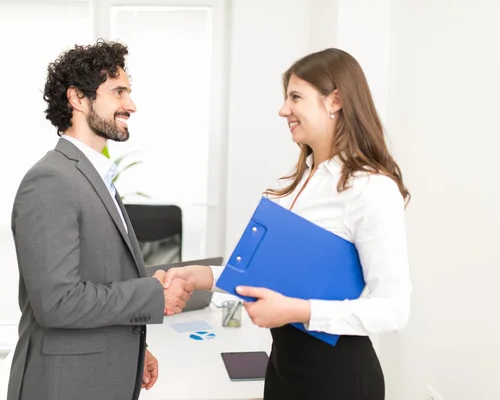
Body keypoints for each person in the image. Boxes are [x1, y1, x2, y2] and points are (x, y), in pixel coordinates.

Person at [163, 48, 411, 399]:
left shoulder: (370, 188)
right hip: (284, 369)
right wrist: (203, 276)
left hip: (338, 379)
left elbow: (393, 310)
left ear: (335, 101)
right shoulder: (301, 183)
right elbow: (274, 280)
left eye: (295, 97)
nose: (283, 110)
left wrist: (297, 310)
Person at [7, 40, 194, 400]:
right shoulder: (51, 180)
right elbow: (57, 302)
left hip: (97, 373)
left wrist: (131, 350)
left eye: (129, 92)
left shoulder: (93, 175)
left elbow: (102, 275)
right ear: (78, 98)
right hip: (63, 385)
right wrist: (153, 293)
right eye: (118, 92)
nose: (131, 105)